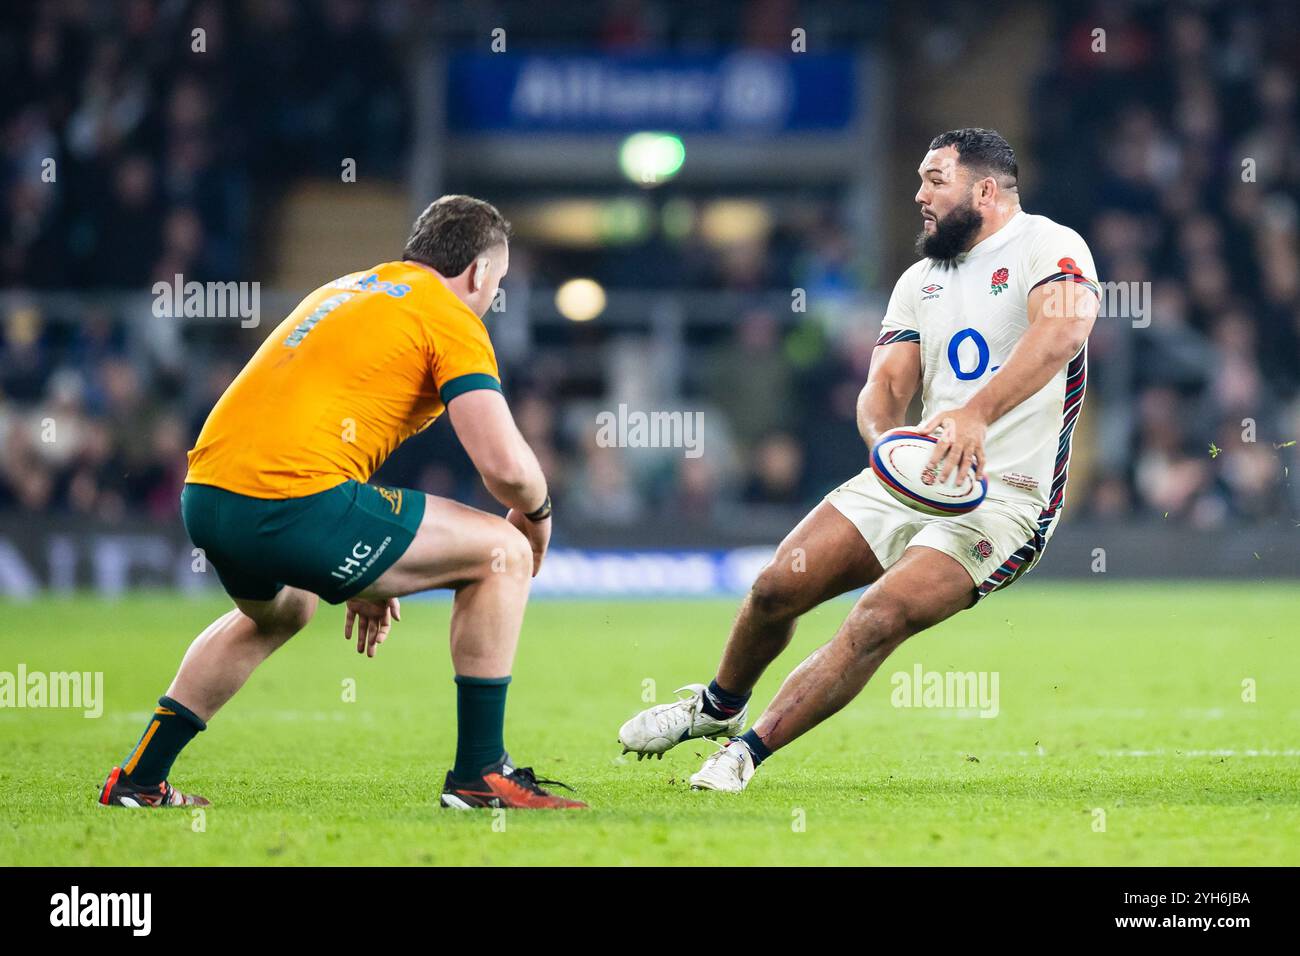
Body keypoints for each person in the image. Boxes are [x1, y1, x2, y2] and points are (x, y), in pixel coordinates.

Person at [619, 129, 1101, 792]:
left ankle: (747, 753)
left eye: (936, 179)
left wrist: (976, 414)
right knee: (774, 588)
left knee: (877, 616)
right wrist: (886, 444)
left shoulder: (1051, 245)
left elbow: (1064, 331)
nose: (919, 193)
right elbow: (884, 388)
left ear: (986, 190)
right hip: (915, 477)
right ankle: (716, 708)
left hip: (1006, 499)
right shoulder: (920, 281)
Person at [99, 195, 585, 811]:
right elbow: (506, 469)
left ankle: (139, 780)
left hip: (209, 494)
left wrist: (362, 572)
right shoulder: (451, 316)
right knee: (504, 552)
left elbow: (323, 420)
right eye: (500, 281)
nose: (493, 295)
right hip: (289, 499)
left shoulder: (348, 289)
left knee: (280, 612)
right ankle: (480, 774)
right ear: (480, 273)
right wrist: (539, 518)